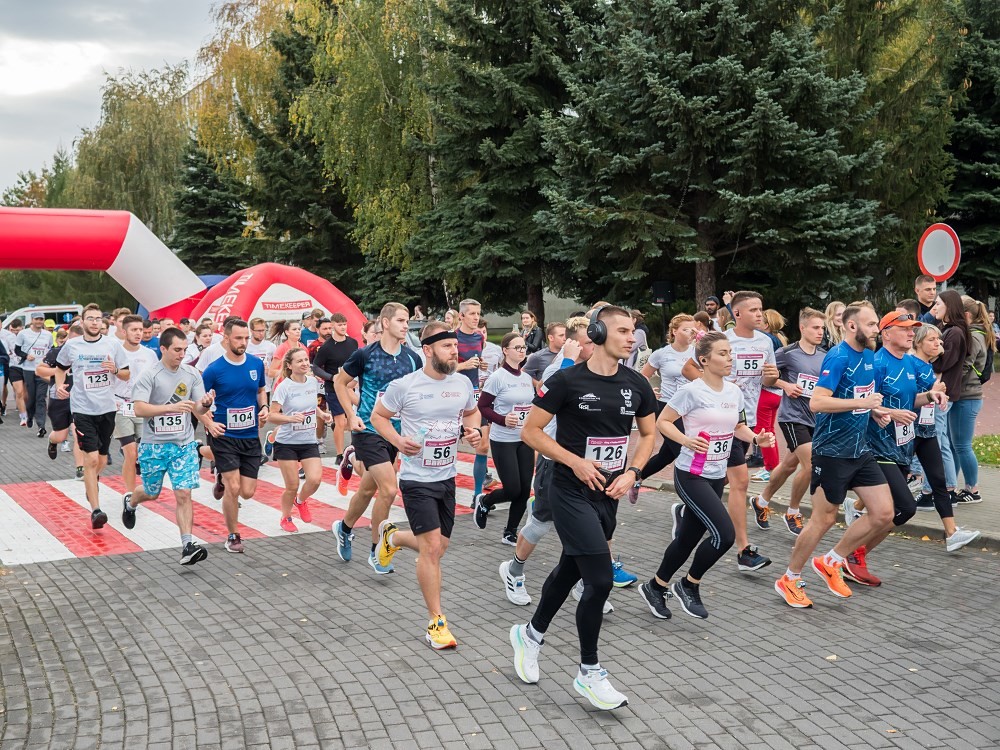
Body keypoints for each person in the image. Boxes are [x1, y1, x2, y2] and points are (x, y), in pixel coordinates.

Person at [509, 306, 656, 711]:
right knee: (600, 579)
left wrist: (634, 472)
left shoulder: (636, 383)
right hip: (569, 489)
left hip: (607, 493)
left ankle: (530, 635)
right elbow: (530, 431)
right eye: (623, 330)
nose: (631, 337)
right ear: (598, 332)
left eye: (633, 331)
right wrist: (573, 461)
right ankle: (589, 672)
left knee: (571, 568)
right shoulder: (567, 380)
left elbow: (648, 434)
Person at [641, 332, 776, 621]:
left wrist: (756, 439)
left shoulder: (734, 391)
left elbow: (738, 427)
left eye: (730, 353)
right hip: (691, 474)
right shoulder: (692, 391)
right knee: (724, 535)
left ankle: (655, 587)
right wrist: (685, 441)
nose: (730, 358)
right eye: (723, 354)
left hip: (716, 475)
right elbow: (663, 422)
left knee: (687, 539)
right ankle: (689, 584)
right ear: (704, 360)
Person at [371, 321, 482, 650]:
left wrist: (474, 431)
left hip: (447, 477)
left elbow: (472, 413)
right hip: (416, 479)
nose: (454, 351)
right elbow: (378, 417)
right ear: (428, 350)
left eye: (455, 346)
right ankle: (436, 621)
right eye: (447, 346)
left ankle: (393, 537)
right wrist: (397, 441)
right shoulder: (405, 386)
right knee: (432, 548)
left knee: (439, 547)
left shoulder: (462, 383)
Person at [774, 302, 892, 609]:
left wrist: (875, 410)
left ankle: (832, 560)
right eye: (871, 324)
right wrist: (862, 403)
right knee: (824, 519)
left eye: (876, 323)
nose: (877, 329)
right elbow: (818, 402)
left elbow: (858, 397)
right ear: (852, 326)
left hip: (859, 449)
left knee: (884, 514)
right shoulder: (838, 357)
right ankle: (790, 578)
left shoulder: (868, 356)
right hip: (831, 452)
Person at [840, 311, 948, 585]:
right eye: (905, 329)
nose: (911, 333)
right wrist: (891, 412)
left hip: (901, 448)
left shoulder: (909, 362)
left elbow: (910, 400)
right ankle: (847, 555)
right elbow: (862, 403)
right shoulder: (876, 364)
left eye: (913, 329)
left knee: (889, 511)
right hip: (876, 448)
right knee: (905, 507)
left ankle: (853, 556)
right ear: (886, 334)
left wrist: (930, 395)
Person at [683, 290, 779, 571]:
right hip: (722, 419)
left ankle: (688, 511)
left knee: (721, 479)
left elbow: (766, 380)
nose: (759, 314)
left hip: (746, 419)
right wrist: (715, 388)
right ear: (737, 313)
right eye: (753, 310)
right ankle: (743, 551)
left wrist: (772, 377)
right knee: (740, 482)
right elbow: (689, 368)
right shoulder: (723, 341)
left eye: (761, 309)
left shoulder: (765, 341)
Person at [332, 303, 422, 573]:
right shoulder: (365, 355)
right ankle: (377, 551)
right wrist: (351, 415)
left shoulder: (412, 358)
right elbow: (339, 382)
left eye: (407, 321)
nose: (406, 325)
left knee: (367, 489)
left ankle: (344, 528)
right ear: (385, 323)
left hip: (394, 434)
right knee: (389, 489)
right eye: (401, 320)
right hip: (368, 430)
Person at [120, 327, 215, 564]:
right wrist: (171, 407)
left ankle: (187, 545)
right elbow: (139, 408)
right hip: (154, 445)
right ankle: (131, 502)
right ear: (163, 348)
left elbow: (198, 408)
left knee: (184, 493)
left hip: (183, 444)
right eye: (177, 350)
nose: (182, 354)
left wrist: (205, 404)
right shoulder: (150, 375)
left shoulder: (191, 374)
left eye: (184, 349)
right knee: (151, 492)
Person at [54, 304, 131, 528]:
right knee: (92, 459)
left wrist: (114, 370)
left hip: (107, 408)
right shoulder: (72, 345)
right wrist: (59, 385)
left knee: (102, 460)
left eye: (98, 319)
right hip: (82, 409)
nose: (95, 322)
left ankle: (90, 481)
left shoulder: (113, 344)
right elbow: (60, 368)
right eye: (90, 318)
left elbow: (126, 374)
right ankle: (96, 511)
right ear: (82, 322)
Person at [752, 308, 826, 535]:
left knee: (788, 466)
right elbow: (765, 378)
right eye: (815, 327)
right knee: (811, 465)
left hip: (815, 418)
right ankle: (792, 512)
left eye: (822, 328)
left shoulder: (825, 355)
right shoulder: (787, 353)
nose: (820, 332)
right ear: (802, 328)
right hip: (793, 417)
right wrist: (785, 385)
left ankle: (761, 501)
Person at [199, 319, 268, 554]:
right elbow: (197, 402)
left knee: (247, 492)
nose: (243, 342)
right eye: (239, 338)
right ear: (226, 338)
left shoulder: (256, 364)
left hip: (250, 435)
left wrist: (264, 407)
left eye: (246, 338)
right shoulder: (214, 369)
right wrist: (209, 422)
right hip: (224, 435)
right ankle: (233, 535)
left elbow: (261, 390)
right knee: (234, 487)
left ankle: (213, 467)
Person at [911, 324, 981, 551]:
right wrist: (931, 393)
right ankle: (859, 509)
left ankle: (952, 534)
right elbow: (905, 397)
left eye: (939, 340)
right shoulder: (910, 364)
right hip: (907, 433)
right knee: (893, 483)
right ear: (918, 342)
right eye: (932, 340)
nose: (939, 344)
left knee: (938, 481)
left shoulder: (929, 367)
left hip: (926, 431)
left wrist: (937, 395)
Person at [474, 333, 536, 543]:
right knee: (512, 489)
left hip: (524, 439)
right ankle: (485, 501)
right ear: (505, 350)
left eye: (523, 347)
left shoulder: (526, 378)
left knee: (524, 490)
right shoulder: (497, 377)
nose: (521, 351)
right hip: (503, 440)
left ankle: (510, 532)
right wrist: (502, 419)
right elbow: (483, 406)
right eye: (517, 347)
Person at [634, 314, 698, 502]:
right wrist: (649, 392)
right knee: (685, 453)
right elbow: (642, 376)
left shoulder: (697, 352)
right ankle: (691, 498)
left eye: (693, 329)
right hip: (667, 408)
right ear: (674, 331)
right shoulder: (662, 354)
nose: (690, 333)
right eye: (686, 329)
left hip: (692, 409)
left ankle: (636, 477)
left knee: (666, 455)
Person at [268, 348, 333, 532]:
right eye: (299, 361)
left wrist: (321, 414)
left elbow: (310, 406)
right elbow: (272, 416)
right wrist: (290, 418)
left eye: (306, 360)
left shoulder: (312, 382)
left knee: (315, 480)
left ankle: (300, 501)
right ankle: (285, 517)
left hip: (308, 441)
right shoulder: (284, 387)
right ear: (289, 365)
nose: (305, 363)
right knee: (292, 485)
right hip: (287, 443)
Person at [949, 297, 993, 504]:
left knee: (962, 445)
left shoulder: (973, 336)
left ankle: (973, 489)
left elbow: (965, 365)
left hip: (967, 396)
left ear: (966, 315)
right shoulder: (979, 333)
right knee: (956, 445)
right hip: (967, 396)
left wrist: (949, 383)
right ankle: (954, 485)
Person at [112, 315, 159, 507]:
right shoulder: (115, 352)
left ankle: (142, 487)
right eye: (134, 330)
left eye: (140, 330)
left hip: (142, 406)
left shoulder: (150, 354)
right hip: (120, 405)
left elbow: (157, 379)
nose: (138, 333)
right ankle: (130, 494)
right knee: (130, 452)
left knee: (142, 451)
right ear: (124, 332)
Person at [930, 290, 967, 503]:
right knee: (939, 439)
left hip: (944, 393)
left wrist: (930, 355)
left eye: (938, 304)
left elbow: (943, 364)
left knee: (937, 440)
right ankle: (946, 488)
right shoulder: (949, 330)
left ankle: (943, 489)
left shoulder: (954, 333)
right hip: (943, 392)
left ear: (949, 306)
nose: (935, 307)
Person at [38, 324, 86, 478]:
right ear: (68, 339)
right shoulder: (57, 352)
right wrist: (59, 369)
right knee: (61, 436)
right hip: (59, 398)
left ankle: (80, 468)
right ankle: (52, 441)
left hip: (79, 399)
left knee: (78, 433)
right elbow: (39, 370)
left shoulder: (87, 353)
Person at [312, 312, 359, 465]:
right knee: (340, 421)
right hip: (333, 388)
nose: (343, 327)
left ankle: (354, 448)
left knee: (351, 418)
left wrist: (357, 378)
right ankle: (339, 454)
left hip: (349, 387)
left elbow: (357, 363)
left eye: (345, 324)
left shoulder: (352, 343)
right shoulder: (326, 347)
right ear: (333, 326)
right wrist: (331, 377)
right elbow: (316, 367)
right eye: (340, 325)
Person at [16, 311, 53, 434]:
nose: (39, 321)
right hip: (28, 370)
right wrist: (26, 356)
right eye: (36, 319)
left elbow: (51, 350)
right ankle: (30, 415)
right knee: (31, 398)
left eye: (41, 319)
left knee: (40, 398)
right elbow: (17, 350)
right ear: (32, 320)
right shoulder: (23, 333)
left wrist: (48, 360)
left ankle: (41, 426)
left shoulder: (48, 334)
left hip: (42, 370)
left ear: (43, 321)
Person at [523, 322, 567, 387]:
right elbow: (523, 374)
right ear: (551, 338)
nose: (565, 338)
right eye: (561, 335)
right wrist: (540, 386)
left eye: (566, 335)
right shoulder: (538, 356)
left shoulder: (571, 354)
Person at [246, 317, 278, 404]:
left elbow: (277, 365)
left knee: (264, 410)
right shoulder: (246, 345)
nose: (261, 333)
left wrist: (270, 370)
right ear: (251, 331)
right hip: (249, 386)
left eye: (263, 330)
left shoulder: (271, 346)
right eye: (258, 331)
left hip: (265, 386)